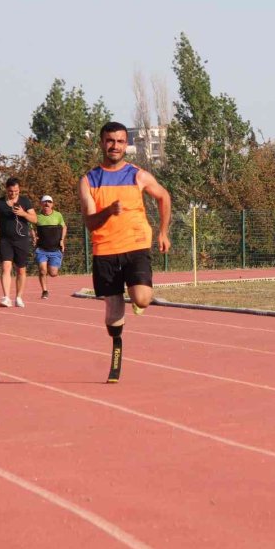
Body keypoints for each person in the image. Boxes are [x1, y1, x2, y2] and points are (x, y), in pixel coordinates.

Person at [79, 121, 171, 383]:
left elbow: (164, 196)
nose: (115, 146)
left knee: (142, 299)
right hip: (105, 251)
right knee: (113, 315)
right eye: (110, 141)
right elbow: (90, 222)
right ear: (101, 143)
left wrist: (163, 232)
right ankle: (117, 343)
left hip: (135, 246)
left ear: (125, 144)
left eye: (120, 141)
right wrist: (108, 211)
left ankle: (137, 298)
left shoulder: (137, 175)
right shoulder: (88, 181)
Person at [0, 177, 37, 308]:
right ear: (6, 190)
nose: (13, 193)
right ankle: (6, 297)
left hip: (21, 240)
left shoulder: (25, 201)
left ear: (19, 190)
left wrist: (23, 213)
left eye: (16, 191)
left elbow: (35, 219)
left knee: (21, 270)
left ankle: (18, 297)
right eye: (10, 191)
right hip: (5, 240)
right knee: (6, 267)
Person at [32, 194, 67, 299]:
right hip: (41, 249)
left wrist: (62, 240)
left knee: (53, 273)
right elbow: (31, 227)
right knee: (42, 270)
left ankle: (51, 264)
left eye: (49, 202)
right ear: (41, 204)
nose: (47, 204)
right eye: (45, 202)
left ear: (52, 204)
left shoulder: (58, 215)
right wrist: (34, 237)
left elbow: (64, 227)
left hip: (55, 249)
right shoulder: (37, 217)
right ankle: (45, 291)